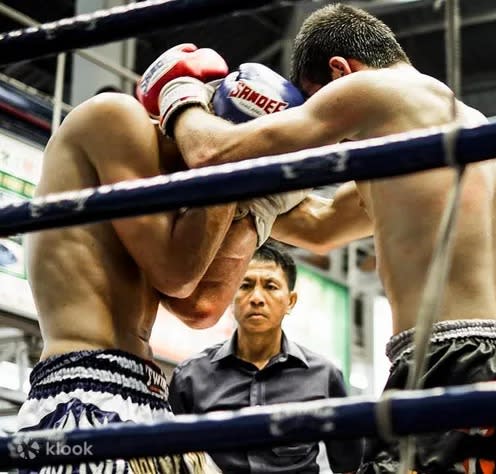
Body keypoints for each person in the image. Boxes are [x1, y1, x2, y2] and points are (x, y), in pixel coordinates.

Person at [137, 4, 496, 473]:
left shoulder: (371, 89)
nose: (330, 140)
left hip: (453, 365)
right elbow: (318, 227)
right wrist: (253, 198)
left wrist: (180, 95)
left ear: (340, 71)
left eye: (316, 103)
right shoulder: (454, 126)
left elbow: (210, 152)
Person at [17, 53, 308, 472]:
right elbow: (177, 275)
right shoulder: (113, 116)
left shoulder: (180, 196)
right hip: (84, 393)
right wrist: (229, 160)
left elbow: (202, 307)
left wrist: (255, 203)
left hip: (152, 397)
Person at [169, 241, 363, 473]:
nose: (257, 298)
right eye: (245, 285)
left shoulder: (324, 376)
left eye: (270, 286)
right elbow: (173, 463)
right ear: (230, 297)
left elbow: (349, 466)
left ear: (290, 301)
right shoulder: (190, 377)